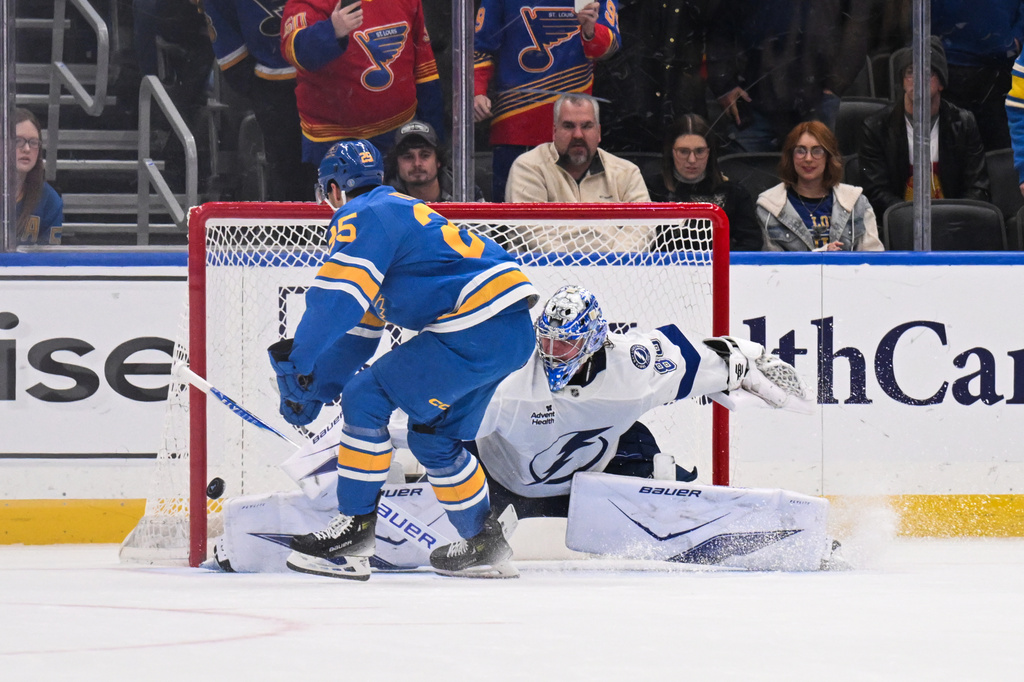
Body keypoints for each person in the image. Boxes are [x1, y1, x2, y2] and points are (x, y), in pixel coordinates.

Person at [212, 285, 832, 573]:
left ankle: (787, 536)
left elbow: (730, 355)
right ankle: (252, 535)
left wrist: (789, 396)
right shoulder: (506, 378)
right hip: (503, 481)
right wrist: (331, 450)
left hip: (603, 467)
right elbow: (396, 420)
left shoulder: (636, 367)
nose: (556, 352)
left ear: (593, 339)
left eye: (569, 342)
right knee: (429, 539)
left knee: (671, 489)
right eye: (549, 340)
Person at [268, 140, 538, 581]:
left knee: (364, 397)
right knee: (433, 438)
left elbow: (336, 300)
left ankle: (351, 537)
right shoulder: (395, 214)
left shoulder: (361, 215)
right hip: (510, 332)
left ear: (334, 188)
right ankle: (483, 541)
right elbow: (359, 335)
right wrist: (316, 385)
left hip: (473, 324)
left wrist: (299, 363)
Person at [473, 0, 621, 202]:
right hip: (515, 124)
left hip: (574, 127)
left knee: (575, 216)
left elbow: (609, 48)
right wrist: (477, 90)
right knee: (509, 220)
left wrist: (590, 30)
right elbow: (479, 45)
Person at [280, 0, 444, 175]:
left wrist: (436, 137)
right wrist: (332, 31)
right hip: (333, 139)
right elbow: (294, 51)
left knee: (401, 201)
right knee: (343, 201)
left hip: (399, 134)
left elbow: (424, 66)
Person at [860, 37, 991, 220]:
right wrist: (910, 219)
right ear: (903, 82)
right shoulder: (877, 127)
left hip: (953, 225)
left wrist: (952, 218)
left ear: (941, 83)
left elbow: (978, 188)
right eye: (910, 72)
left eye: (927, 72)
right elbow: (876, 192)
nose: (917, 80)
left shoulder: (964, 124)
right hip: (901, 226)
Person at [201, 0, 312, 201]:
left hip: (337, 82)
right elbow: (234, 62)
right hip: (277, 93)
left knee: (338, 171)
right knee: (291, 178)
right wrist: (265, 91)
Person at [756, 121, 883, 252]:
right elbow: (772, 267)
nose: (808, 158)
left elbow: (873, 258)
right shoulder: (769, 206)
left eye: (817, 151)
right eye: (800, 151)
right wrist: (821, 255)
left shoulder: (856, 202)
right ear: (791, 156)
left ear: (828, 156)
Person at [647, 113, 762, 252]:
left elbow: (750, 243)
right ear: (671, 152)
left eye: (699, 151)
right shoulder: (650, 190)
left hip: (719, 271)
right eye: (683, 151)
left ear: (710, 152)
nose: (692, 160)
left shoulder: (734, 193)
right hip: (662, 271)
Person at [505, 95, 649, 204]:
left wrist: (618, 245)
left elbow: (643, 228)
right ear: (554, 132)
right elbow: (532, 235)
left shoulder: (627, 173)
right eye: (568, 126)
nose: (578, 135)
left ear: (598, 133)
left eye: (586, 126)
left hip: (615, 245)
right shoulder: (528, 167)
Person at [932, 0, 1023, 152]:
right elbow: (922, 16)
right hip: (950, 71)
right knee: (951, 152)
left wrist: (1016, 39)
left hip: (1000, 73)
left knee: (1000, 155)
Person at [382, 120, 484, 202]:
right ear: (396, 164)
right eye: (408, 157)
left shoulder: (466, 193)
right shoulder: (383, 200)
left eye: (425, 155)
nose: (417, 163)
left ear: (438, 161)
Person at [13, 108, 63, 246]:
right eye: (18, 141)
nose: (27, 149)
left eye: (33, 142)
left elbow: (49, 262)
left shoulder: (50, 200)